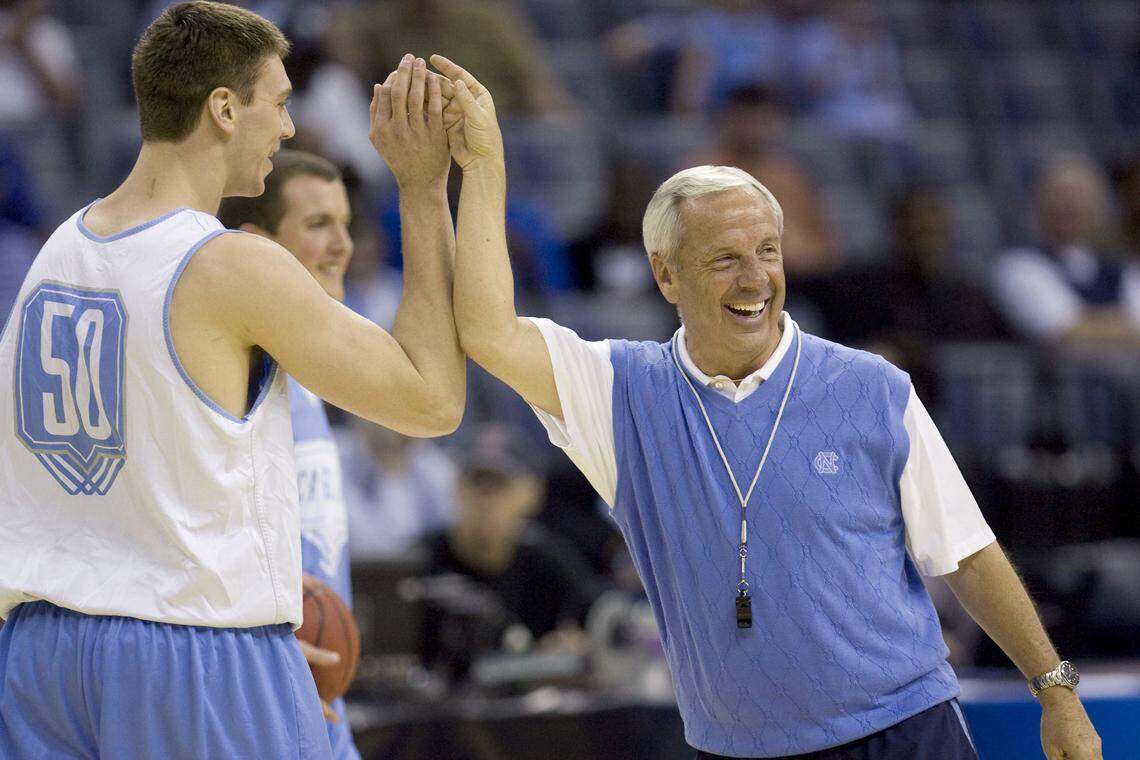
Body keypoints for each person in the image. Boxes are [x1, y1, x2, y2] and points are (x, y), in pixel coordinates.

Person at [433, 56, 1103, 759]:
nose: (756, 279)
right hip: (736, 749)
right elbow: (485, 332)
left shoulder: (872, 388)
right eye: (724, 259)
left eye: (769, 251)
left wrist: (1056, 691)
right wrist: (481, 165)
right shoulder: (617, 392)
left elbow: (967, 555)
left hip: (902, 734)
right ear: (666, 274)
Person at [0, 3, 464, 757]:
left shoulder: (57, 250)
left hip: (39, 657)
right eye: (277, 103)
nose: (287, 129)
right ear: (223, 109)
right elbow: (432, 401)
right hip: (190, 650)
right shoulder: (229, 264)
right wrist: (420, 189)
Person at [219, 148, 435, 758]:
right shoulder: (232, 376)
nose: (345, 244)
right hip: (250, 695)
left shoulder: (312, 375)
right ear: (256, 245)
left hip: (321, 704)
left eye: (345, 224)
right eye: (318, 226)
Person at [992, 153, 1140, 348]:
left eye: (1080, 196)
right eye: (1060, 195)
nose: (1070, 205)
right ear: (1039, 203)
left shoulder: (1124, 267)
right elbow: (1063, 331)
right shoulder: (1017, 265)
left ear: (1099, 208)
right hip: (1051, 377)